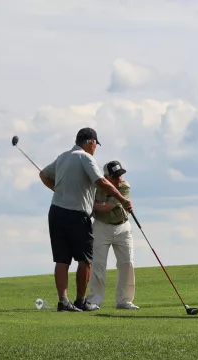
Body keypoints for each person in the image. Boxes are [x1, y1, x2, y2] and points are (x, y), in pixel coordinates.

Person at [40, 127, 134, 312]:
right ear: (91, 142)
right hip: (76, 214)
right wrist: (123, 200)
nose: (95, 148)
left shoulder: (63, 157)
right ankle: (81, 301)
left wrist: (59, 190)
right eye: (95, 145)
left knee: (62, 259)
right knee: (85, 260)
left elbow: (44, 175)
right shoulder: (86, 157)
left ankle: (63, 301)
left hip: (56, 212)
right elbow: (101, 182)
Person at [87, 160, 139, 310]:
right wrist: (92, 205)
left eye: (120, 175)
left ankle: (124, 300)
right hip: (101, 227)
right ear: (106, 177)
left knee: (127, 263)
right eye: (115, 176)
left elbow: (107, 207)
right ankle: (95, 300)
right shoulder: (95, 186)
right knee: (98, 264)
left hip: (123, 227)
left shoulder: (124, 186)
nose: (119, 179)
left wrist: (91, 204)